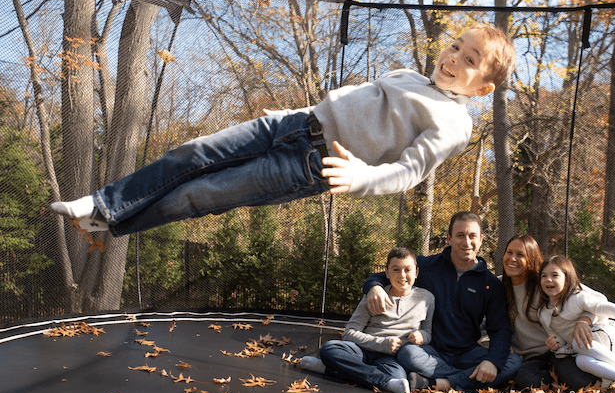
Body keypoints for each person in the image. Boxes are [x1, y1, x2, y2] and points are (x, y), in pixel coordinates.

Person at [48, 24, 516, 236]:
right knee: (192, 153)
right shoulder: (407, 75)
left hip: (308, 164)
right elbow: (347, 104)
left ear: (482, 89)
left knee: (200, 194)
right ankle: (103, 203)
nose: (454, 58)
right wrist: (297, 111)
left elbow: (408, 172)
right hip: (291, 123)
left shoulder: (455, 123)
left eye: (470, 60)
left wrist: (361, 180)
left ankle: (110, 220)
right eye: (456, 46)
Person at [364, 211, 521, 392]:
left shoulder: (490, 284)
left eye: (472, 236)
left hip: (467, 353)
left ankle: (440, 384)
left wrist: (491, 361)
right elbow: (385, 275)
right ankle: (464, 380)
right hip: (429, 351)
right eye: (460, 235)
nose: (467, 242)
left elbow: (500, 329)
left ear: (481, 239)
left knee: (512, 361)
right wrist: (374, 286)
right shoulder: (426, 267)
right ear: (449, 238)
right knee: (407, 352)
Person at [299, 247, 434, 393]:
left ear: (416, 272)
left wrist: (422, 336)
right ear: (387, 273)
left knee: (398, 377)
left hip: (389, 359)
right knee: (330, 348)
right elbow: (349, 333)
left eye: (407, 270)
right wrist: (381, 343)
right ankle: (383, 381)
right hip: (362, 351)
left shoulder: (426, 298)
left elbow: (428, 333)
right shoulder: (375, 295)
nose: (402, 275)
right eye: (396, 270)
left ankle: (329, 370)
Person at [538, 254, 615, 392]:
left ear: (567, 279)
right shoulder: (543, 313)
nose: (548, 279)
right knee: (581, 361)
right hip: (582, 348)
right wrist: (555, 344)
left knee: (577, 341)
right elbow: (560, 339)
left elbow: (602, 306)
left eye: (555, 275)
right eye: (544, 276)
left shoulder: (576, 298)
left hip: (600, 338)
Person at [500, 234, 599, 390]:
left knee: (582, 383)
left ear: (531, 259)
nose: (512, 259)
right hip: (531, 358)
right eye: (509, 252)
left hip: (559, 350)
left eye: (520, 255)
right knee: (527, 381)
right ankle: (559, 378)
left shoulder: (546, 283)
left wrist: (583, 320)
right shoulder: (499, 285)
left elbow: (598, 299)